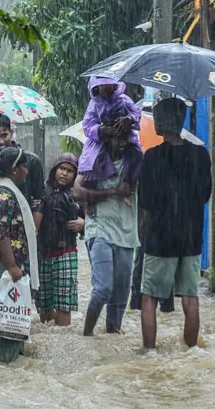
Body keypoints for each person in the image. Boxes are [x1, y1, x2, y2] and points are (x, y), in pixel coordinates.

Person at [139, 98, 212, 352]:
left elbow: (146, 203)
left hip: (160, 238)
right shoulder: (201, 155)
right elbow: (204, 195)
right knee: (190, 297)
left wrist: (144, 232)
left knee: (149, 296)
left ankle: (149, 351)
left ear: (159, 123)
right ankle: (191, 351)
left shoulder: (151, 157)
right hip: (191, 237)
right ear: (181, 122)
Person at [74, 124, 140, 336]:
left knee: (121, 295)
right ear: (106, 138)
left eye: (125, 137)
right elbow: (77, 191)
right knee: (103, 287)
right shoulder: (93, 160)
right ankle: (87, 336)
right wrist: (112, 191)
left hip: (127, 231)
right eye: (116, 137)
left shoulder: (136, 161)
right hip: (99, 227)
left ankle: (112, 338)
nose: (121, 142)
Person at [0, 147, 40, 362]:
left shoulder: (5, 190)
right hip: (3, 267)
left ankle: (6, 362)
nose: (27, 172)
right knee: (3, 321)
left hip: (6, 266)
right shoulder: (4, 195)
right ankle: (1, 363)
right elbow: (1, 233)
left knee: (9, 320)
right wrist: (13, 266)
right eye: (24, 167)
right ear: (14, 170)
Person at [33, 154, 85, 326]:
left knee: (64, 303)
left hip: (66, 253)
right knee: (44, 303)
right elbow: (34, 222)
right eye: (62, 169)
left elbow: (94, 218)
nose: (64, 173)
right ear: (55, 170)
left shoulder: (78, 193)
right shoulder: (42, 190)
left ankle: (62, 336)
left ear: (75, 174)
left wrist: (82, 223)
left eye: (70, 171)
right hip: (43, 254)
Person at [78, 77, 142, 190]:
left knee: (137, 154)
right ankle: (91, 191)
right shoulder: (94, 104)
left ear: (115, 86)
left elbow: (136, 112)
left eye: (110, 88)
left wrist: (129, 118)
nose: (107, 92)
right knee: (92, 160)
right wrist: (100, 130)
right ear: (96, 88)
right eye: (103, 88)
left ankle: (129, 182)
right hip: (102, 140)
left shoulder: (123, 99)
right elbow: (87, 126)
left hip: (124, 135)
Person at [0, 114, 45, 211]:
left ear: (11, 133)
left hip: (25, 216)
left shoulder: (31, 160)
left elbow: (39, 199)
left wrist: (33, 225)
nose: (1, 142)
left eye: (4, 136)